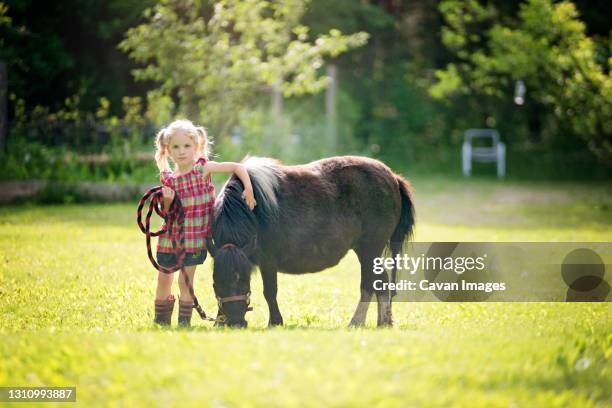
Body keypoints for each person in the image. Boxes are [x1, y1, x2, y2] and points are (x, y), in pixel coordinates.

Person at [152, 119, 256, 327]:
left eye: (187, 146)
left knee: (185, 281)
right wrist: (167, 199)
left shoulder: (203, 168)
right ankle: (161, 320)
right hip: (171, 238)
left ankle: (184, 322)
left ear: (196, 146)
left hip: (196, 239)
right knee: (164, 279)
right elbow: (167, 212)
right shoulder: (169, 179)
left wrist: (249, 189)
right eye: (176, 147)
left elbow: (237, 167)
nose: (182, 151)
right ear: (169, 150)